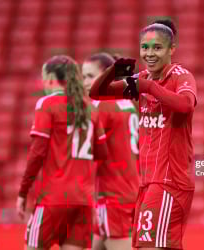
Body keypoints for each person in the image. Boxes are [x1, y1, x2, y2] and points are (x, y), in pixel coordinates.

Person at [89, 19, 197, 250]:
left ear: (171, 49)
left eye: (157, 47)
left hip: (169, 180)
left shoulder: (180, 75)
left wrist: (149, 88)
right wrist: (112, 71)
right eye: (144, 47)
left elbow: (186, 105)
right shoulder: (142, 78)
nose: (149, 53)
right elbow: (97, 93)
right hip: (148, 182)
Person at [16, 55, 108, 250]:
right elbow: (102, 153)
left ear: (50, 78)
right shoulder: (90, 109)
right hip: (83, 201)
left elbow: (37, 154)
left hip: (54, 199)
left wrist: (23, 192)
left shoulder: (47, 103)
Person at [82, 52, 139, 250]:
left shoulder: (100, 106)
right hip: (130, 188)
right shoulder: (127, 104)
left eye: (90, 76)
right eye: (83, 77)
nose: (84, 82)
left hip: (112, 195)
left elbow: (89, 152)